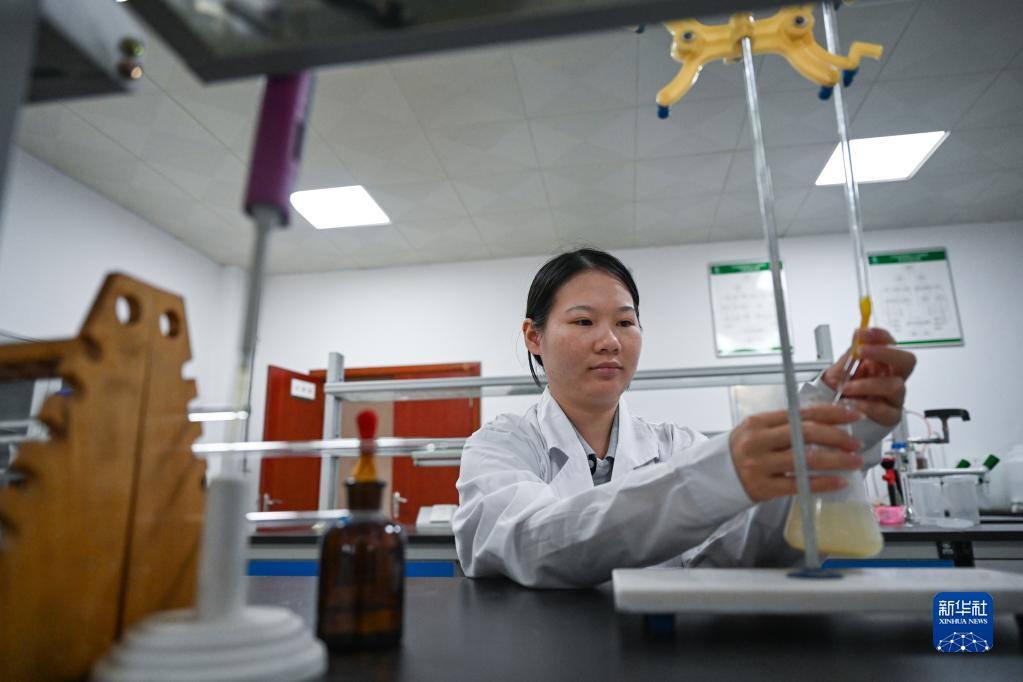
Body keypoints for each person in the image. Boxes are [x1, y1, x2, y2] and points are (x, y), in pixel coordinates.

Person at [452, 248, 915, 588]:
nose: (610, 341)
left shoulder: (679, 446)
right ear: (534, 336)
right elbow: (532, 543)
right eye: (583, 322)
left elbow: (739, 556)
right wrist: (707, 478)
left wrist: (835, 430)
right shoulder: (499, 447)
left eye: (625, 322)